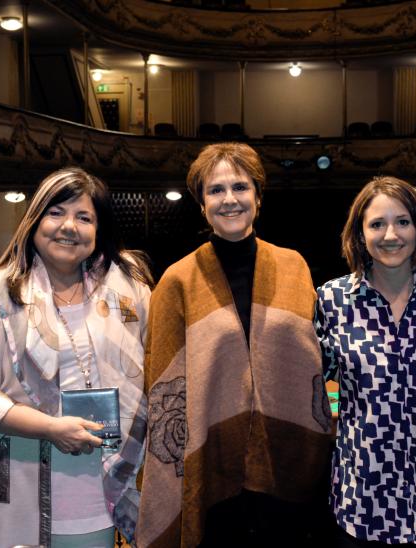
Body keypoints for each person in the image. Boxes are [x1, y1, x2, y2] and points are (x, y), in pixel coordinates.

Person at [136, 142, 332, 548]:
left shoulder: (293, 265)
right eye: (216, 190)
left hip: (289, 456)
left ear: (258, 197)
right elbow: (162, 384)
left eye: (240, 187)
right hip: (213, 463)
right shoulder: (178, 281)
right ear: (201, 203)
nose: (230, 200)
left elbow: (310, 363)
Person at [0, 167, 153, 547]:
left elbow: (159, 366)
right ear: (35, 219)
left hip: (99, 491)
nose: (68, 226)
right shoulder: (0, 292)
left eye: (84, 217)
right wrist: (51, 428)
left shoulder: (129, 290)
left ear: (98, 229)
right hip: (17, 485)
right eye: (56, 212)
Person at [316, 176, 416, 548]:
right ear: (360, 234)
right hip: (363, 494)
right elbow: (310, 375)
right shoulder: (331, 300)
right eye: (377, 224)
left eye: (402, 221)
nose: (390, 234)